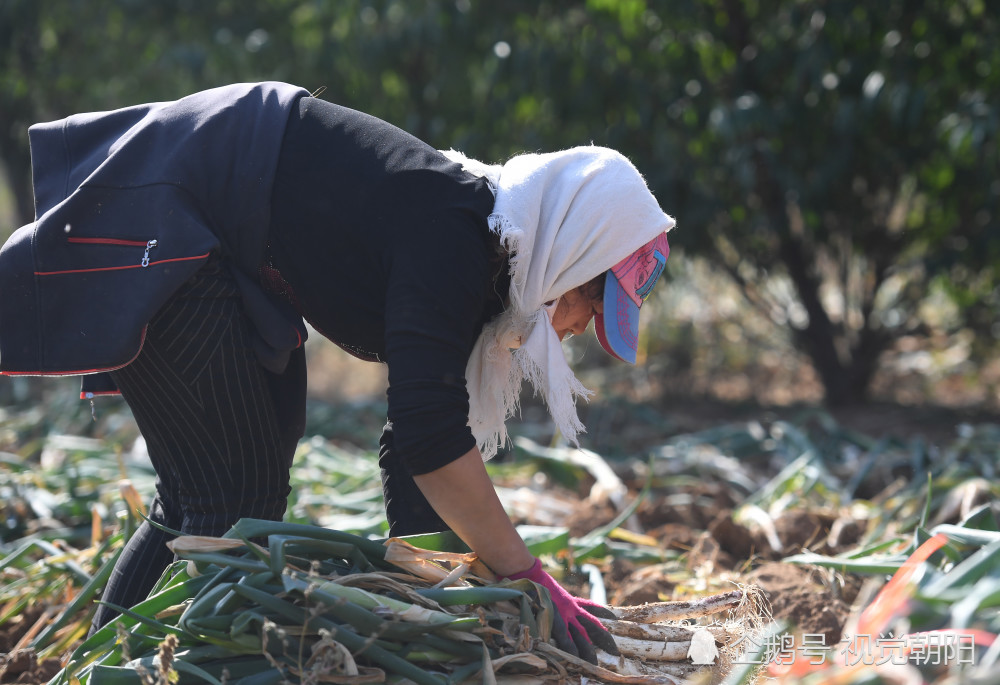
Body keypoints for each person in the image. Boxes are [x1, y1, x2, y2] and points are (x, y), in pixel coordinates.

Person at [0, 82, 674, 661]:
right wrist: (523, 570)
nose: (584, 323)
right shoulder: (459, 237)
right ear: (572, 246)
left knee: (243, 495)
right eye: (592, 296)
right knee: (219, 499)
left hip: (234, 250)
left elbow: (415, 444)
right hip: (181, 216)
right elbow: (428, 436)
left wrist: (434, 596)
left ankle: (135, 658)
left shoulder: (493, 263)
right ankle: (115, 664)